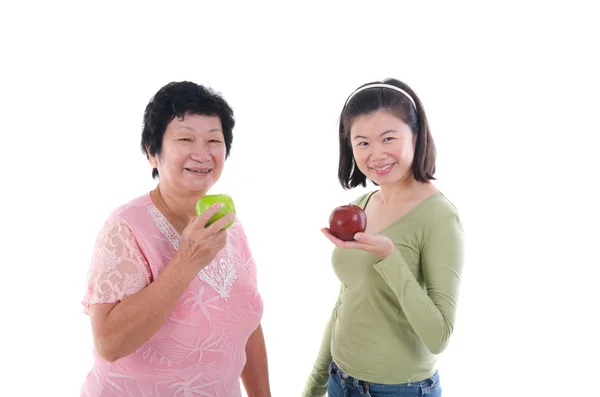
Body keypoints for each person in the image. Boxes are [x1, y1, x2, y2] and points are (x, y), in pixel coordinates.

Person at [80, 81, 271, 397]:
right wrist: (186, 262)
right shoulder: (125, 227)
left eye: (213, 140)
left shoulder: (229, 224)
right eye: (185, 138)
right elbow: (110, 344)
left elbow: (246, 325)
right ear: (153, 153)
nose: (202, 153)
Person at [302, 78, 464, 397]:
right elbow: (347, 299)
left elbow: (439, 336)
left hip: (399, 389)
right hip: (340, 380)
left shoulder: (440, 217)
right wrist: (316, 382)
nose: (376, 154)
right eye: (362, 142)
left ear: (416, 137)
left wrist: (391, 258)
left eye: (388, 138)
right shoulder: (361, 206)